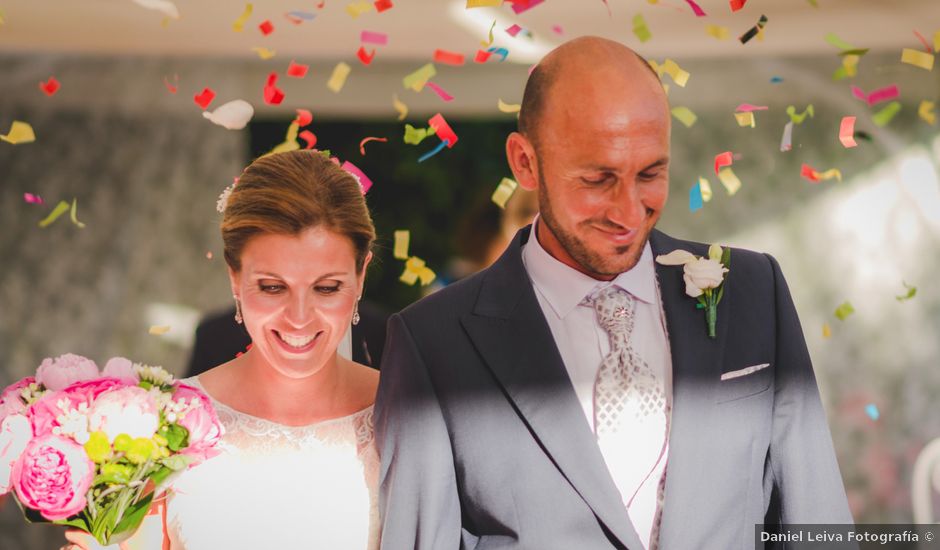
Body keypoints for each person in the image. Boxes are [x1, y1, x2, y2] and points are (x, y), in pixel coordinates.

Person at [375, 36, 853, 550]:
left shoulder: (754, 291)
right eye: (598, 179)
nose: (628, 213)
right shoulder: (433, 343)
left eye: (650, 173)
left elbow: (816, 518)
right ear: (525, 163)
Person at [67, 150, 381, 549]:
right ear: (235, 278)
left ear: (361, 274)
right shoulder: (160, 425)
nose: (299, 317)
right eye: (272, 287)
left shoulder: (406, 417)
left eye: (326, 288)